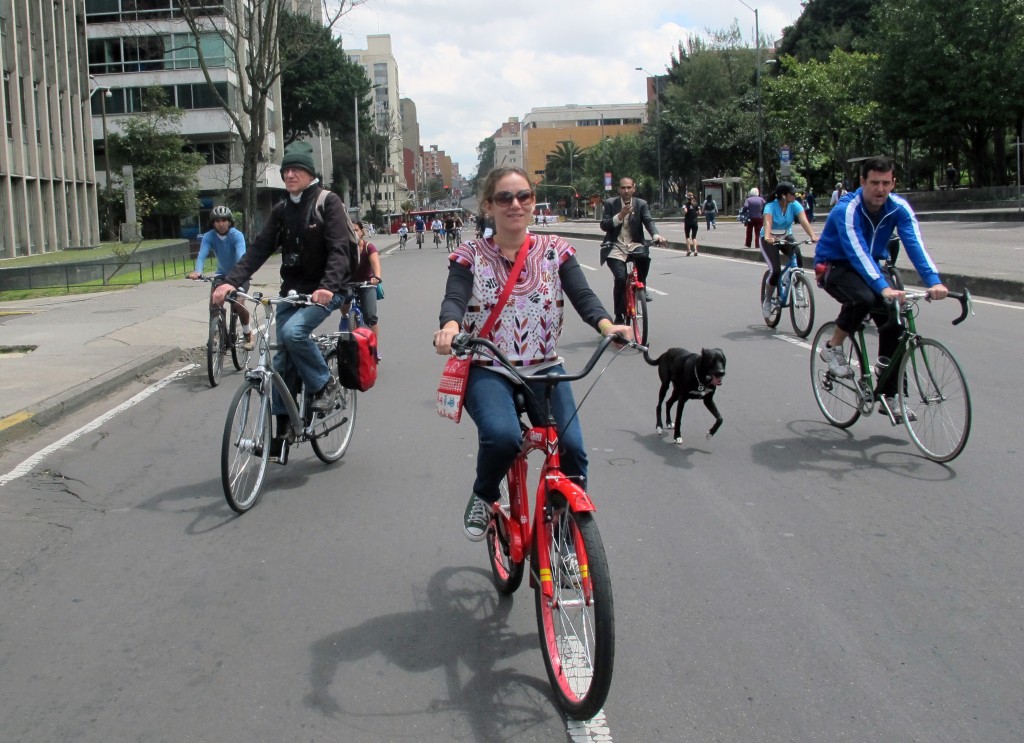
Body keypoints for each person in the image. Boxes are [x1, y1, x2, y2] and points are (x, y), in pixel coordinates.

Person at [433, 166, 631, 541]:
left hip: (545, 368)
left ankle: (566, 534)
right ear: (489, 205)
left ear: (533, 202)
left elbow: (583, 296)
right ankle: (484, 493)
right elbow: (454, 298)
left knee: (571, 449)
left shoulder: (555, 250)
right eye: (505, 197)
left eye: (523, 196)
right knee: (503, 437)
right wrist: (450, 328)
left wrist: (608, 326)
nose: (515, 204)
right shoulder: (470, 255)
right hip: (489, 366)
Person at [212, 141, 355, 456]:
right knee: (280, 359)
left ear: (310, 173)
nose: (290, 174)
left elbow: (339, 251)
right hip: (293, 291)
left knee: (292, 333)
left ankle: (325, 385)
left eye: (297, 169)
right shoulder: (282, 209)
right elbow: (259, 249)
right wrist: (229, 283)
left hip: (326, 289)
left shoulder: (327, 202)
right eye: (286, 170)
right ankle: (283, 431)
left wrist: (329, 286)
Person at [814, 156, 948, 418]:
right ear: (862, 182)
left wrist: (934, 281)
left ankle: (892, 395)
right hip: (836, 265)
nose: (881, 189)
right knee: (863, 299)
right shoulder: (847, 209)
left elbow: (915, 245)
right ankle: (832, 347)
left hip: (871, 265)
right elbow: (856, 251)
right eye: (874, 183)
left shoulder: (899, 208)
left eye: (886, 183)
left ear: (893, 183)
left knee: (895, 320)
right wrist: (881, 287)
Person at [599, 176, 667, 322]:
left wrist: (656, 235)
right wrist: (620, 215)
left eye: (629, 187)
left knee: (644, 257)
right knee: (620, 278)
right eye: (623, 187)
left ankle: (642, 286)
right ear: (618, 189)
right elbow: (604, 225)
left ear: (634, 188)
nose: (626, 190)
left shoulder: (641, 204)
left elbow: (648, 221)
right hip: (615, 245)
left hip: (634, 243)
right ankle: (619, 314)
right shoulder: (611, 203)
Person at [188, 205, 253, 349]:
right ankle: (216, 332)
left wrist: (236, 277)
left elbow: (240, 257)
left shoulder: (236, 235)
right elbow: (202, 255)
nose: (221, 224)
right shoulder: (209, 236)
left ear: (230, 221)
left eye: (224, 220)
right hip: (221, 275)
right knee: (214, 303)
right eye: (217, 221)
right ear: (213, 223)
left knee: (238, 303)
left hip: (239, 274)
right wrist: (197, 271)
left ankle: (248, 333)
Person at [759, 181, 818, 318]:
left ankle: (798, 285)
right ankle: (767, 301)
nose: (795, 195)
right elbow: (767, 222)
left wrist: (812, 235)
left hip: (785, 235)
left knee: (797, 253)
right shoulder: (770, 206)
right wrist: (767, 236)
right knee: (775, 271)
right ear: (784, 196)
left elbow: (804, 220)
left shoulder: (794, 205)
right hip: (769, 238)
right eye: (792, 193)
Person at [342, 220, 383, 360]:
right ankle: (345, 319)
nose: (354, 233)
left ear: (362, 232)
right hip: (349, 283)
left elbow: (375, 263)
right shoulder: (344, 248)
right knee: (343, 301)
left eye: (356, 230)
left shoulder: (368, 247)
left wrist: (376, 277)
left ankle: (374, 348)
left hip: (367, 283)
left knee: (371, 316)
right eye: (351, 230)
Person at [682, 191, 701, 256]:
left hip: (688, 222)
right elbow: (700, 213)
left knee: (687, 236)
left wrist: (685, 212)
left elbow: (685, 211)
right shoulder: (696, 204)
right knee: (694, 237)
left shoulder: (685, 204)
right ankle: (695, 250)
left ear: (687, 198)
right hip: (695, 222)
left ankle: (689, 250)